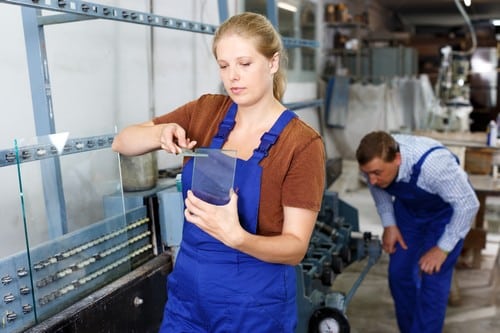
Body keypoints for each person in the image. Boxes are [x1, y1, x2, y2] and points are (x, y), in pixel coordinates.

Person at [112, 12, 326, 332]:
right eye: (224, 66)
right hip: (188, 297)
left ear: (273, 63)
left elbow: (295, 247)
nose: (233, 77)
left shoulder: (301, 143)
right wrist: (159, 134)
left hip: (253, 306)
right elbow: (122, 142)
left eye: (245, 63)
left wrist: (238, 238)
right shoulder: (207, 111)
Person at [355, 131, 479, 333]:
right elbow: (377, 190)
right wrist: (389, 224)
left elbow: (468, 205)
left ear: (397, 159)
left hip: (444, 214)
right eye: (367, 174)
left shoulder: (435, 166)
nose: (372, 180)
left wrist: (442, 248)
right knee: (399, 274)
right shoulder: (375, 164)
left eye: (377, 173)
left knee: (432, 277)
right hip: (409, 212)